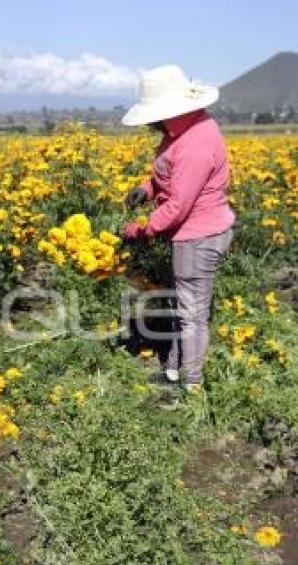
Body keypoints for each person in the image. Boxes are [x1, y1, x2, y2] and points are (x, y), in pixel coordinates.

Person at [121, 65, 235, 392]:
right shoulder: (186, 130)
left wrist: (139, 231)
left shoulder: (195, 144)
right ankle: (174, 368)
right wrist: (147, 188)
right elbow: (168, 179)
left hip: (198, 236)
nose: (149, 124)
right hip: (193, 232)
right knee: (182, 305)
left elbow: (177, 207)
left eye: (151, 117)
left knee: (192, 313)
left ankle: (192, 385)